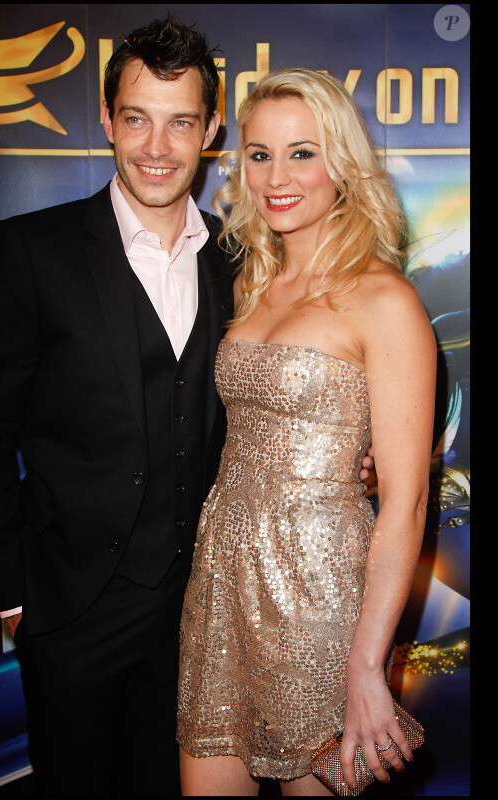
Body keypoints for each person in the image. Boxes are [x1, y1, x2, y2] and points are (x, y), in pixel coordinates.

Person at [0, 16, 374, 796]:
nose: (156, 146)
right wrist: (13, 595)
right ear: (108, 120)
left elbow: (332, 366)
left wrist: (362, 444)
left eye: (180, 122)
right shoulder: (28, 251)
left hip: (207, 613)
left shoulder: (246, 260)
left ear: (210, 130)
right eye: (137, 118)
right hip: (70, 613)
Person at [177, 68, 437, 796]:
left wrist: (366, 666)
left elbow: (407, 502)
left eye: (302, 152)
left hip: (319, 590)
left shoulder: (383, 298)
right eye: (259, 155)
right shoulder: (251, 281)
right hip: (223, 575)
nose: (276, 176)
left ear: (342, 165)